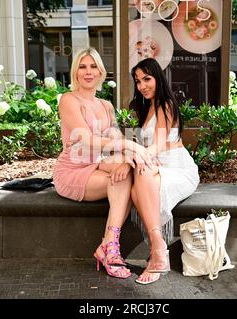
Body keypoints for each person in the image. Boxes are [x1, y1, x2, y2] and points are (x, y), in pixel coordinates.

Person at [52, 48, 155, 279]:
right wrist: (133, 147)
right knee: (122, 176)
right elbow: (85, 140)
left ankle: (108, 245)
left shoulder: (106, 105)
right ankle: (110, 248)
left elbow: (116, 140)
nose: (88, 72)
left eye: (93, 67)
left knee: (127, 172)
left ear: (100, 72)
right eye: (82, 66)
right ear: (75, 72)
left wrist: (127, 160)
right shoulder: (69, 100)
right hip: (72, 170)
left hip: (96, 165)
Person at [129, 58, 200, 285]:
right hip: (157, 166)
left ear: (158, 77)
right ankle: (159, 247)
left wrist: (134, 156)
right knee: (134, 189)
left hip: (178, 169)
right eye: (138, 81)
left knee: (141, 175)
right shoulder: (146, 107)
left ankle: (158, 251)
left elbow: (158, 145)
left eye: (147, 79)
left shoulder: (165, 104)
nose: (142, 86)